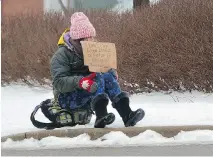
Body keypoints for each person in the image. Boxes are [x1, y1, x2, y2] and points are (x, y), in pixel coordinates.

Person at [30, 12, 145, 129]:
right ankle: (101, 115)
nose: (91, 40)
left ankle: (127, 114)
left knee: (107, 77)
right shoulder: (62, 55)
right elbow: (58, 83)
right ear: (78, 39)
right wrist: (80, 82)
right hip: (67, 98)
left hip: (90, 92)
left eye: (92, 36)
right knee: (99, 77)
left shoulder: (93, 50)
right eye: (88, 37)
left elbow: (103, 69)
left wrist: (111, 72)